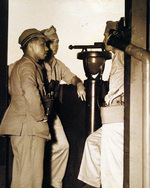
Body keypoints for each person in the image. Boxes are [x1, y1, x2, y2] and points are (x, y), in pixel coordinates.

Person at [0, 28, 51, 188]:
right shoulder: (28, 66)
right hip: (29, 127)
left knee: (22, 177)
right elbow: (30, 91)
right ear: (32, 45)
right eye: (43, 44)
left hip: (22, 127)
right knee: (31, 180)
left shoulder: (21, 65)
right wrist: (41, 116)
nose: (47, 48)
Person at [77, 20, 124, 188]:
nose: (104, 39)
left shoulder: (125, 55)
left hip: (118, 116)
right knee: (93, 143)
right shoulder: (118, 56)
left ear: (114, 36)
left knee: (113, 167)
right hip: (112, 115)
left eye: (106, 35)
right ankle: (93, 183)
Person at [41, 26, 86, 188]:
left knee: (62, 145)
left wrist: (79, 84)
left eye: (58, 42)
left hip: (51, 112)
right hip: (36, 112)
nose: (56, 45)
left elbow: (71, 77)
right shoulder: (35, 62)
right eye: (53, 42)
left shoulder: (57, 64)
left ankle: (55, 182)